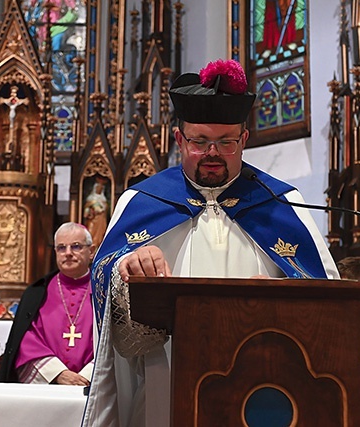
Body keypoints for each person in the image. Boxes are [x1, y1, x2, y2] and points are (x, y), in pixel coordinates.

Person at [81, 59, 339, 427]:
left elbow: (326, 297)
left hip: (265, 391)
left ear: (245, 140)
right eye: (200, 142)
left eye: (226, 142)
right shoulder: (143, 201)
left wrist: (282, 299)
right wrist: (129, 266)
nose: (213, 153)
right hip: (165, 389)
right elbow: (105, 280)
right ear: (179, 140)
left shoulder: (281, 202)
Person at [0, 222, 96, 385]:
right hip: (50, 384)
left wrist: (88, 375)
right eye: (62, 248)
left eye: (76, 247)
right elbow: (27, 339)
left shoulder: (105, 290)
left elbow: (113, 339)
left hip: (92, 388)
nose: (68, 253)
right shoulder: (36, 293)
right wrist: (58, 374)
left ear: (91, 252)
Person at [83, 178, 108, 249]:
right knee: (91, 234)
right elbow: (86, 210)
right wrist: (90, 212)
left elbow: (106, 211)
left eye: (101, 188)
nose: (99, 190)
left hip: (101, 220)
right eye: (98, 188)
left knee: (100, 236)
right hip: (93, 220)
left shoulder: (103, 200)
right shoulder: (90, 199)